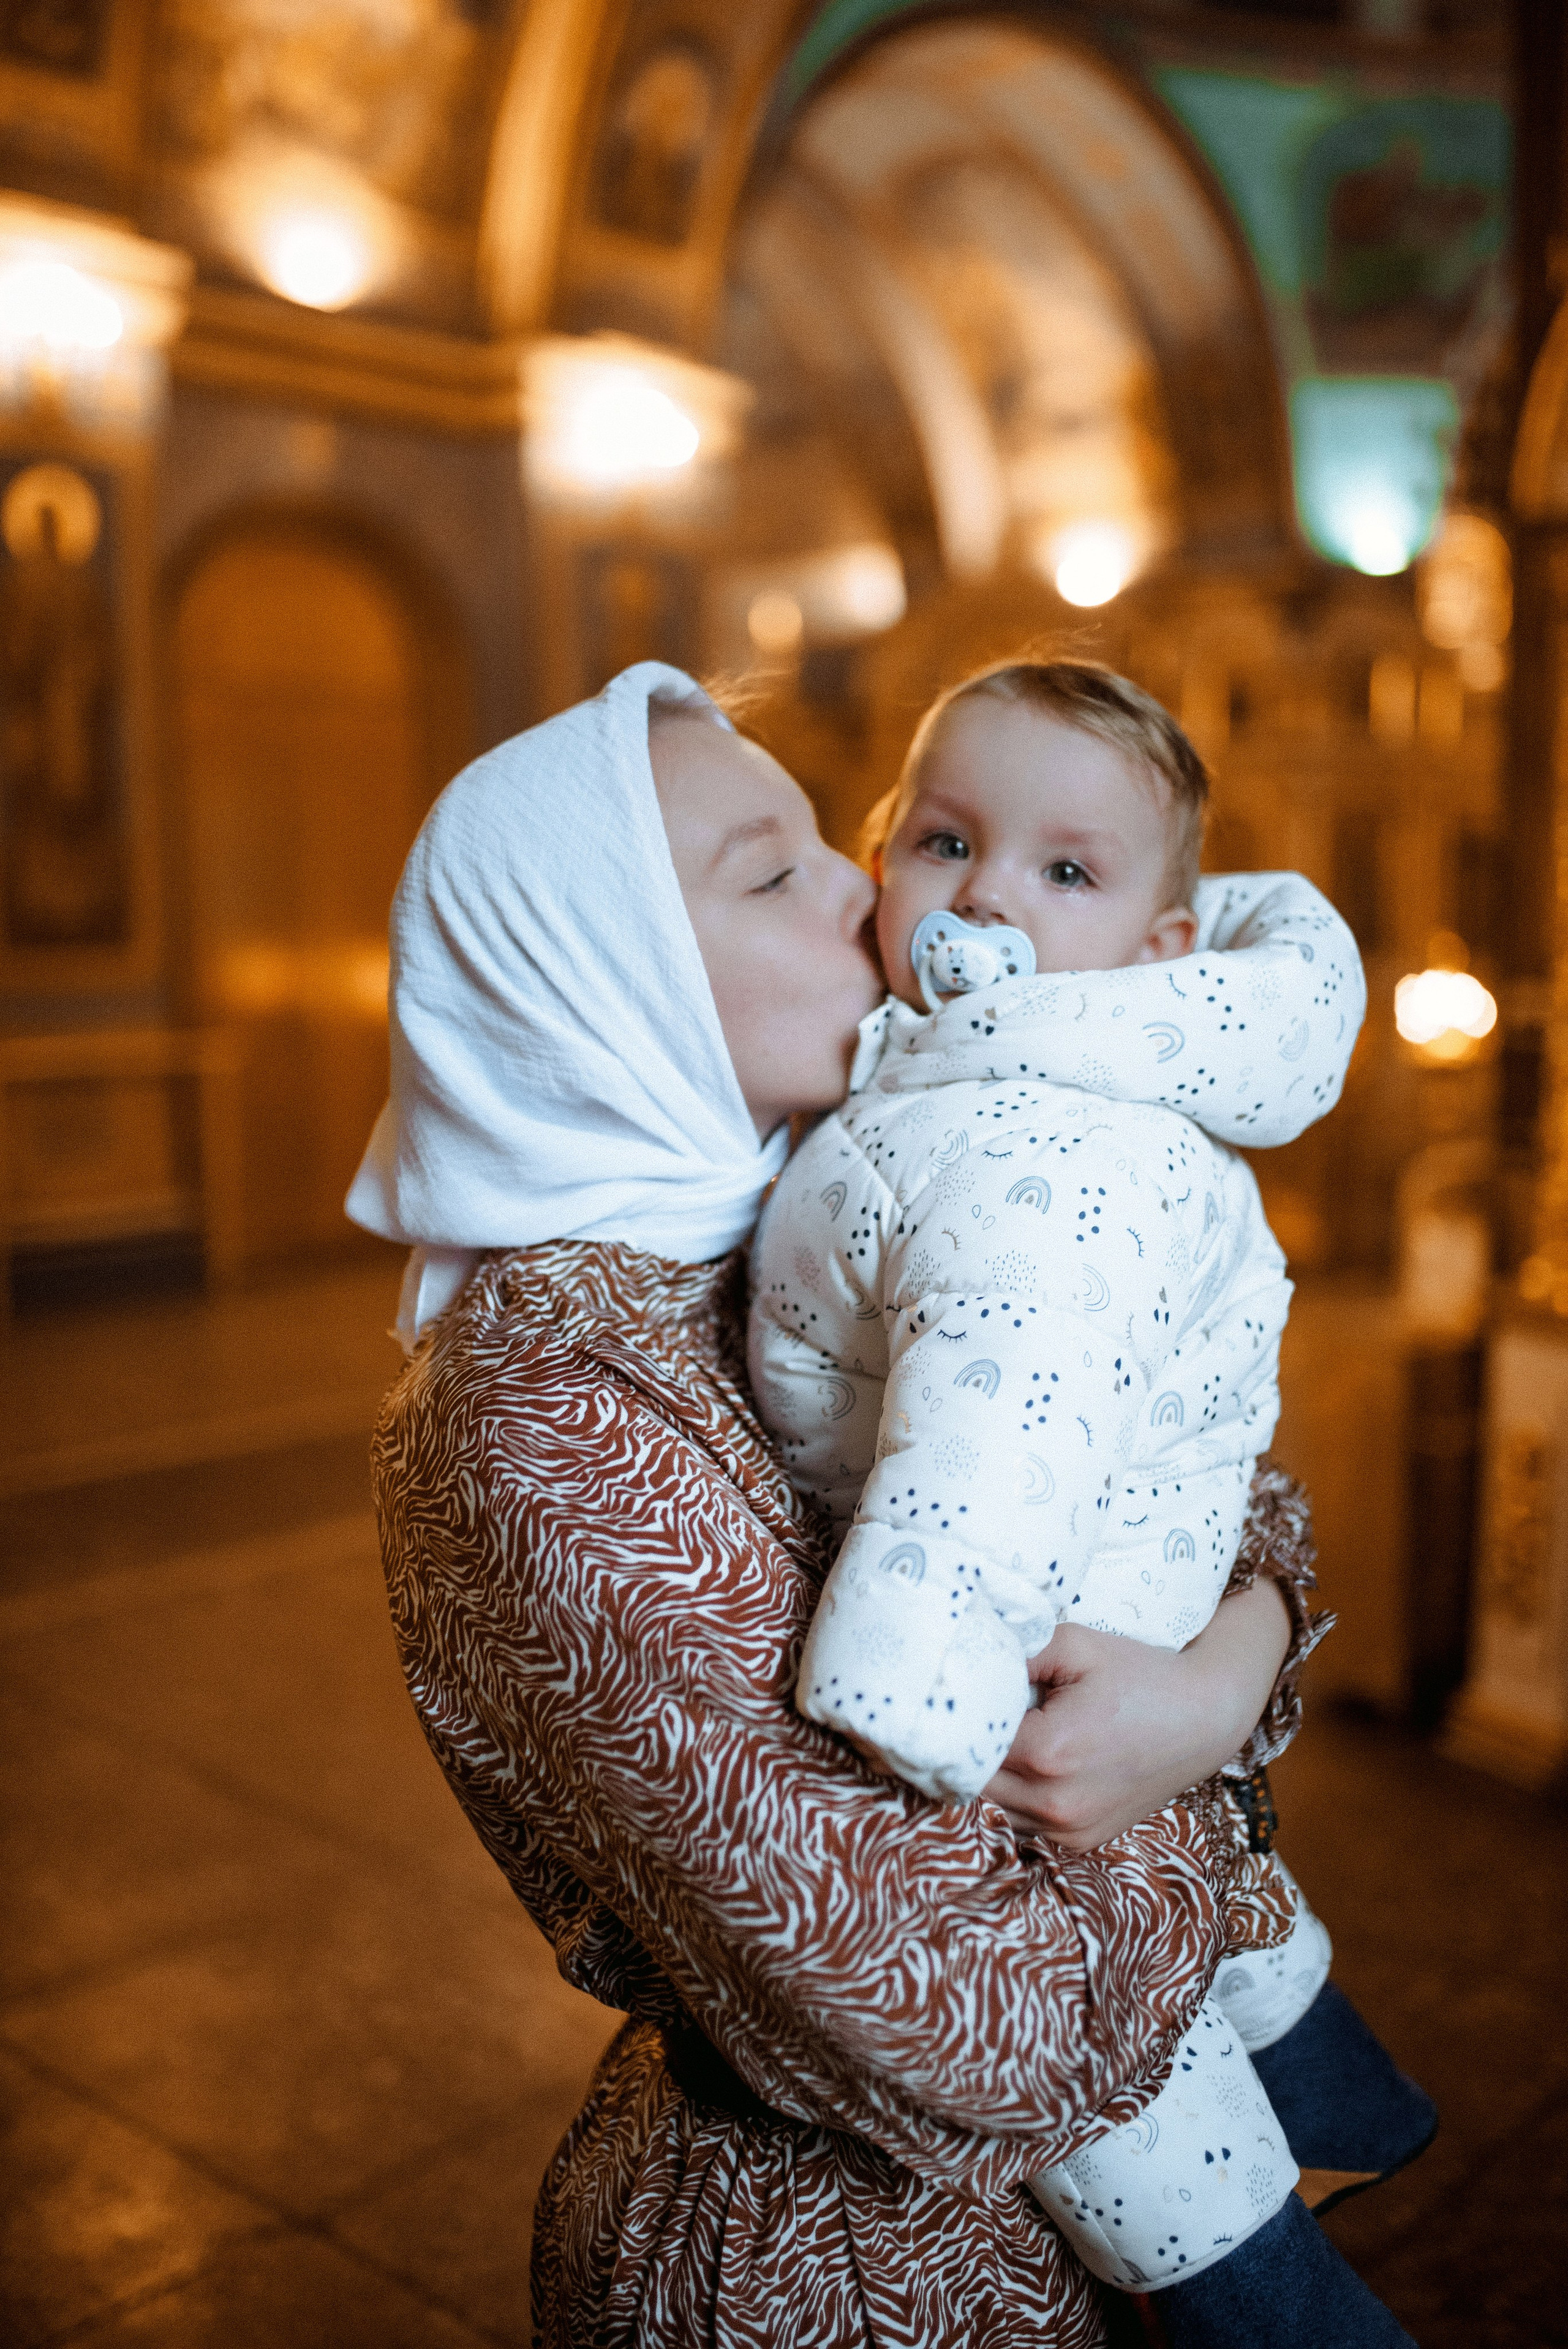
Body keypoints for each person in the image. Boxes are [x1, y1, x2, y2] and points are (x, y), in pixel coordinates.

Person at [348, 662, 1405, 2348]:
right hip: (842, 2275)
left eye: (843, 838)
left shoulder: (833, 1161)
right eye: (775, 873)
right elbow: (973, 2009)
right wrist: (1188, 1784)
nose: (875, 889)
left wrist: (1225, 1671)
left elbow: (1203, 1469)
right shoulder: (542, 1402)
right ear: (604, 975)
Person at [748, 660, 1435, 2329]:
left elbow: (1001, 1401)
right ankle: (1336, 2079)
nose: (986, 894)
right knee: (1166, 1873)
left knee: (1087, 2011)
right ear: (881, 851)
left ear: (1160, 947)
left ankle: (1275, 2298)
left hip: (1017, 1610)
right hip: (1106, 1572)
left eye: (1065, 869)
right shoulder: (953, 1076)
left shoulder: (1029, 1129)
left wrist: (916, 1668)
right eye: (945, 840)